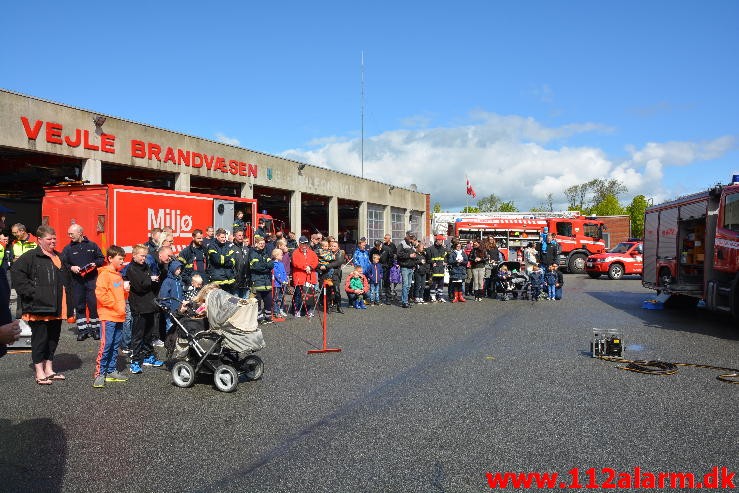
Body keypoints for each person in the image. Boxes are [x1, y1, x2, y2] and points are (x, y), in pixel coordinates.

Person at [10, 225, 70, 385]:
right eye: (49, 239)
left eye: (54, 238)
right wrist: (32, 292)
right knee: (40, 339)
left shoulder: (59, 256)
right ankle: (39, 372)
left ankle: (49, 369)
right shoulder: (31, 256)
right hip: (39, 307)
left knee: (53, 339)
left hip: (57, 306)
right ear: (39, 240)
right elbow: (16, 272)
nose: (53, 241)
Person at [92, 245, 130, 388]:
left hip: (119, 315)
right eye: (120, 259)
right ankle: (99, 374)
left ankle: (111, 371)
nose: (122, 261)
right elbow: (100, 295)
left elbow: (121, 296)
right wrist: (116, 305)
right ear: (110, 258)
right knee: (106, 345)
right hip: (108, 316)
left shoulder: (118, 275)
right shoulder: (104, 274)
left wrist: (126, 292)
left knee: (115, 345)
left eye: (123, 259)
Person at [61, 224, 105, 341]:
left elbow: (101, 258)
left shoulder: (92, 245)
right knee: (79, 306)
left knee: (93, 305)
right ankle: (83, 331)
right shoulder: (68, 249)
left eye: (71, 234)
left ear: (80, 233)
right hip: (76, 282)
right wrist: (71, 268)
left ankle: (95, 330)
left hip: (91, 280)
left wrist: (95, 263)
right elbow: (63, 262)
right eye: (69, 234)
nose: (69, 236)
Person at [126, 244, 164, 374]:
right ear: (134, 255)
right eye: (142, 256)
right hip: (138, 306)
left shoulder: (146, 266)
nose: (144, 258)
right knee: (138, 335)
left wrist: (153, 279)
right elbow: (139, 287)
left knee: (148, 334)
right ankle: (135, 361)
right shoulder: (131, 269)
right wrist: (150, 279)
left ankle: (148, 356)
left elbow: (148, 285)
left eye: (145, 256)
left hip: (149, 305)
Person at [247, 236, 274, 323]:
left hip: (267, 281)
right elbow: (256, 267)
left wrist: (265, 266)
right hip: (257, 281)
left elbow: (271, 265)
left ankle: (268, 316)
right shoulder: (252, 254)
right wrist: (266, 267)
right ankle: (259, 317)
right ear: (256, 244)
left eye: (263, 243)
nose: (262, 245)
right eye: (260, 243)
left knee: (268, 299)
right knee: (257, 300)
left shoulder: (265, 253)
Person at [291, 236, 319, 317]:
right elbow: (295, 263)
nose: (304, 245)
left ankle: (309, 310)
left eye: (306, 243)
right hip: (300, 276)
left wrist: (310, 267)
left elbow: (315, 261)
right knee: (298, 294)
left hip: (310, 276)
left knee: (310, 294)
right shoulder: (295, 252)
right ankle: (297, 310)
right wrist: (305, 267)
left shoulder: (312, 252)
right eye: (303, 243)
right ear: (299, 243)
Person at [206, 228, 237, 294]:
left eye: (225, 237)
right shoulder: (212, 246)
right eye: (222, 237)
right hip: (217, 279)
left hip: (229, 279)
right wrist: (227, 258)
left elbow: (233, 261)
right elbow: (217, 260)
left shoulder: (229, 245)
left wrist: (223, 260)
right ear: (217, 236)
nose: (224, 239)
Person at [159, 260, 185, 332]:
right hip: (170, 309)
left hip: (179, 309)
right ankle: (168, 342)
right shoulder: (167, 281)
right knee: (170, 327)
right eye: (177, 269)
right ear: (172, 269)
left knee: (178, 327)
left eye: (180, 269)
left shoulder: (178, 281)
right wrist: (167, 306)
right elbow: (163, 295)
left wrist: (183, 301)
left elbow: (181, 293)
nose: (179, 271)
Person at [396, 231, 418, 308]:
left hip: (411, 267)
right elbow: (398, 254)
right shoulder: (402, 244)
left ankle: (406, 300)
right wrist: (409, 255)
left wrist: (414, 263)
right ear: (407, 236)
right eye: (410, 237)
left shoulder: (411, 244)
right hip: (404, 267)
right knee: (405, 285)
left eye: (412, 238)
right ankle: (404, 302)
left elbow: (413, 256)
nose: (412, 239)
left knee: (408, 285)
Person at [426, 235, 448, 303]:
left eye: (442, 240)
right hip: (434, 269)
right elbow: (427, 259)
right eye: (441, 240)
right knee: (433, 283)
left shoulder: (444, 249)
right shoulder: (430, 249)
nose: (442, 241)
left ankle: (440, 296)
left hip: (441, 268)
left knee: (441, 283)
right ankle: (433, 296)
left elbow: (446, 257)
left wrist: (446, 262)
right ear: (437, 240)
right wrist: (432, 263)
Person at [231, 228, 250, 298]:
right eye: (239, 235)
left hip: (246, 281)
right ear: (235, 236)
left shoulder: (246, 249)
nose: (241, 237)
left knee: (245, 304)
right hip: (236, 281)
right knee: (235, 303)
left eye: (242, 235)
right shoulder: (231, 248)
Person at [272, 248, 289, 318]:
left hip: (283, 283)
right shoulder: (274, 264)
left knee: (280, 298)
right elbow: (276, 274)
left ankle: (279, 310)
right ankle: (276, 311)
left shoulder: (281, 264)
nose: (282, 256)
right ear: (276, 256)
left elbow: (284, 273)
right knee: (276, 298)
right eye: (281, 255)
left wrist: (286, 279)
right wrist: (281, 281)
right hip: (277, 284)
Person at [381, 234, 397, 304]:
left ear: (389, 239)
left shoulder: (393, 245)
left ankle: (391, 295)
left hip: (391, 265)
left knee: (392, 280)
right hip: (384, 266)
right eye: (384, 238)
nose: (384, 239)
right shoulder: (383, 245)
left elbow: (395, 254)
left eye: (386, 238)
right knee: (384, 282)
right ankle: (384, 297)